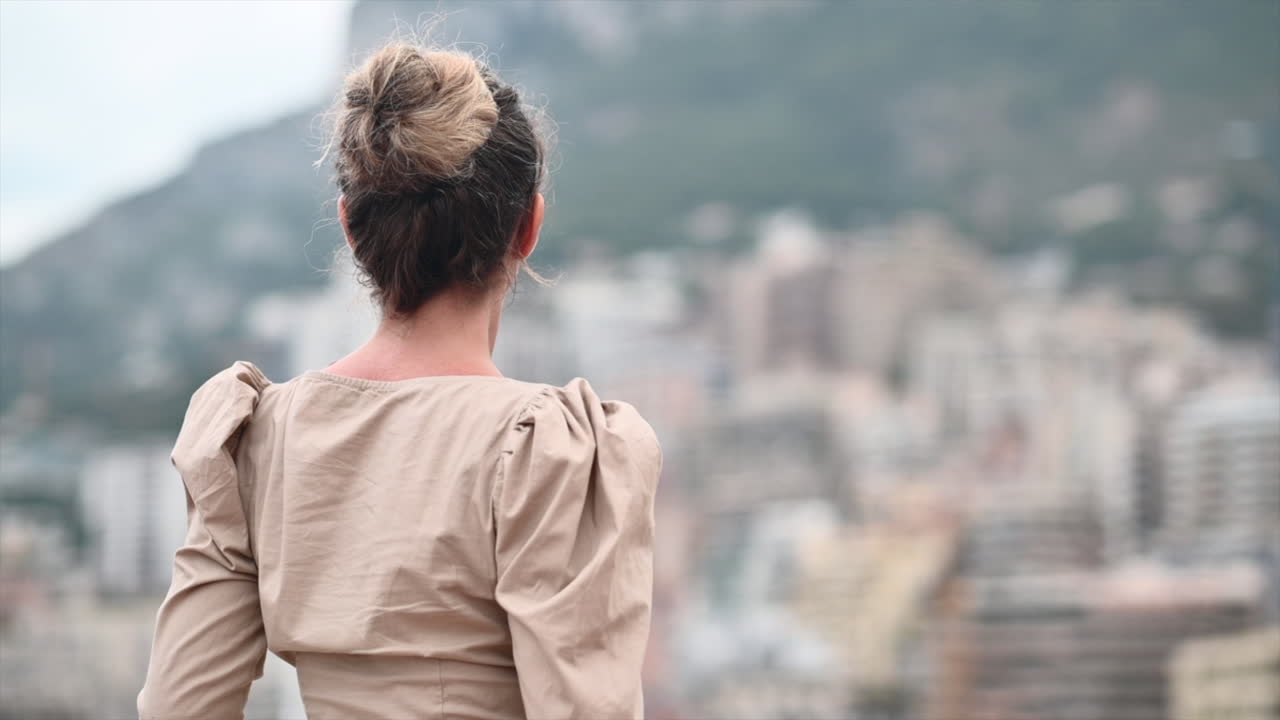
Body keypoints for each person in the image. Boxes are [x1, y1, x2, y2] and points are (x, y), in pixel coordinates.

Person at [136, 40, 662, 720]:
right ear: (528, 227)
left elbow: (181, 707)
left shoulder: (253, 438)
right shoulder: (550, 452)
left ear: (351, 229)